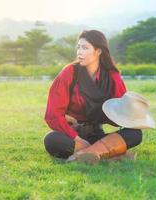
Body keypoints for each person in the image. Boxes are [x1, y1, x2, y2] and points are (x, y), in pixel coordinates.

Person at [43, 30, 150, 163]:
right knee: (51, 140)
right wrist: (77, 139)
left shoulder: (112, 76)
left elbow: (118, 114)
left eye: (85, 48)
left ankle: (86, 154)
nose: (79, 52)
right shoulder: (69, 72)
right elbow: (52, 115)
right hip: (73, 135)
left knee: (134, 134)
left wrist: (130, 116)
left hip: (97, 135)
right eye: (78, 47)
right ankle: (108, 153)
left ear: (98, 51)